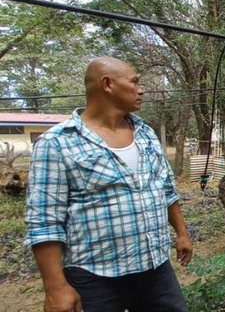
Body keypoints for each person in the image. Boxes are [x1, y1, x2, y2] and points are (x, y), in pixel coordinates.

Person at [25, 57, 192, 312]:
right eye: (134, 82)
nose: (141, 89)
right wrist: (55, 287)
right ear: (107, 84)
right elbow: (44, 221)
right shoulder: (57, 143)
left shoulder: (145, 133)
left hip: (155, 268)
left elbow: (166, 188)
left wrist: (181, 233)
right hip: (94, 276)